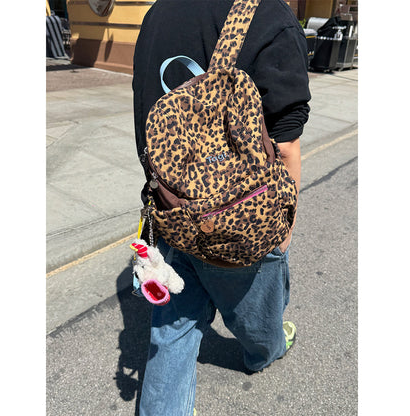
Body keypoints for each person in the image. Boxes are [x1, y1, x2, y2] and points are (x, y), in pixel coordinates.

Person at [132, 0, 311, 414]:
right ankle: (263, 353)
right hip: (241, 219)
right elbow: (284, 144)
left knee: (172, 332)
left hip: (171, 209)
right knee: (258, 320)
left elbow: (144, 105)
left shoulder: (158, 11)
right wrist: (283, 231)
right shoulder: (269, 16)